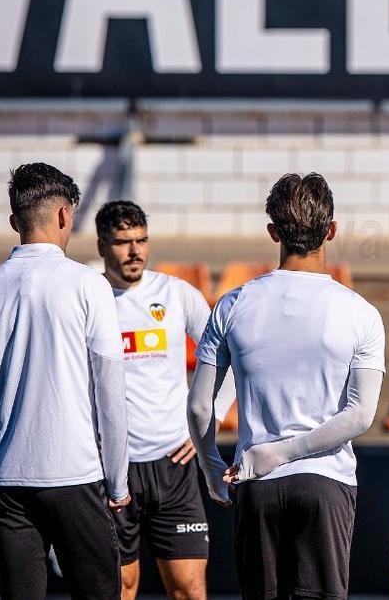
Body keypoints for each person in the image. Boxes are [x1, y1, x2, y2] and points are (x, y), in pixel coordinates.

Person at [187, 173, 386, 599]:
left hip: (256, 482)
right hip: (325, 482)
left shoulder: (233, 303)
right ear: (331, 230)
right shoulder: (360, 312)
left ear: (273, 232)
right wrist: (289, 452)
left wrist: (211, 469)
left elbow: (201, 407)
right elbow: (360, 416)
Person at [0, 163, 130, 599]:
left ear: (14, 221)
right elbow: (110, 391)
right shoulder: (89, 285)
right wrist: (118, 481)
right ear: (64, 215)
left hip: (6, 479)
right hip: (75, 476)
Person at [96, 200, 235, 600]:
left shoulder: (176, 294)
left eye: (141, 240)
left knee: (189, 589)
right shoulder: (88, 298)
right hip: (110, 467)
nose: (134, 251)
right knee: (121, 587)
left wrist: (212, 420)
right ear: (103, 245)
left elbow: (230, 359)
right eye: (123, 242)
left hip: (173, 465)